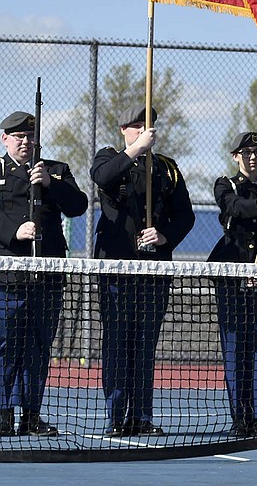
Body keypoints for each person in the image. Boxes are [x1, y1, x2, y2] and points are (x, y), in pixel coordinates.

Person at [91, 105, 195, 437]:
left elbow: (186, 215)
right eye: (136, 126)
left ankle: (141, 415)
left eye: (147, 126)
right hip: (118, 268)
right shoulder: (109, 158)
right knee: (118, 342)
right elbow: (103, 179)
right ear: (124, 129)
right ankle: (117, 416)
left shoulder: (166, 169)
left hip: (153, 269)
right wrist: (135, 150)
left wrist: (164, 236)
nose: (143, 130)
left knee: (145, 343)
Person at [0, 111, 89, 437]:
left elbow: (78, 205)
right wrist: (13, 231)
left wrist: (50, 184)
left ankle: (32, 414)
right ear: (5, 138)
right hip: (9, 278)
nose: (25, 142)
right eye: (18, 136)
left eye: (30, 136)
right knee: (6, 346)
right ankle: (2, 413)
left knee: (39, 347)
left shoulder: (56, 170)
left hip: (47, 276)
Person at [207, 132, 257, 438]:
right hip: (231, 275)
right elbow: (234, 207)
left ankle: (253, 414)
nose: (253, 157)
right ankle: (238, 414)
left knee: (255, 349)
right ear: (236, 156)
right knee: (234, 348)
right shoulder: (225, 185)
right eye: (247, 152)